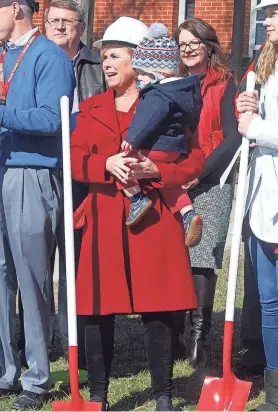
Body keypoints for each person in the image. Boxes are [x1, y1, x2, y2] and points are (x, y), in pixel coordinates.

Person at [70, 16, 205, 411]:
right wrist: (103, 166)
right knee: (98, 307)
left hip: (154, 217)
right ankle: (98, 394)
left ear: (137, 59)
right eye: (104, 58)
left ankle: (162, 393)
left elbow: (194, 158)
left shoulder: (166, 101)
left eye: (114, 56)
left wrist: (161, 170)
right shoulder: (90, 106)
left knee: (159, 305)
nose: (107, 65)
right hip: (104, 217)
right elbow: (75, 158)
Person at [17, 0, 106, 368]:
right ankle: (32, 342)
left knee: (74, 261)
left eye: (66, 21)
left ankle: (74, 345)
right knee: (34, 261)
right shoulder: (29, 61)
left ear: (80, 27)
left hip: (82, 175)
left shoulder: (98, 66)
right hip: (41, 169)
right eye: (52, 20)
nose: (57, 27)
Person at [0, 0, 74, 409]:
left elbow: (53, 120)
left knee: (30, 278)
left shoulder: (48, 57)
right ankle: (4, 371)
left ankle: (37, 377)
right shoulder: (3, 55)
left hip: (30, 173)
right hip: (2, 166)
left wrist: (4, 114)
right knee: (0, 276)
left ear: (16, 9)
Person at [173, 18, 242, 368]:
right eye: (182, 44)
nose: (187, 49)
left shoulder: (225, 85)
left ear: (208, 46)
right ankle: (173, 333)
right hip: (173, 181)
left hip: (212, 182)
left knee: (202, 259)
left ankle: (199, 335)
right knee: (172, 258)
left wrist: (197, 175)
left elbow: (232, 140)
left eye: (193, 43)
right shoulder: (172, 84)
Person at [118, 22, 203, 246]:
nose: (139, 79)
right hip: (175, 148)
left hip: (155, 148)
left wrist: (131, 140)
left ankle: (136, 198)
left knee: (123, 166)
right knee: (169, 184)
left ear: (156, 73)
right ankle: (187, 213)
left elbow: (147, 121)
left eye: (143, 74)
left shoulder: (156, 94)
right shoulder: (184, 91)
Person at [236, 0, 278, 408]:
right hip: (263, 201)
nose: (266, 20)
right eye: (266, 14)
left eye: (275, 13)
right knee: (269, 302)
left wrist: (258, 127)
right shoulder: (265, 65)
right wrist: (246, 110)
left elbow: (264, 130)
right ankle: (275, 393)